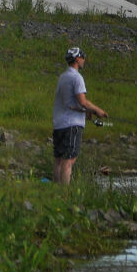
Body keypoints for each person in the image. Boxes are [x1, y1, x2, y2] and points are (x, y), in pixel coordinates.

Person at [52, 47, 106, 184]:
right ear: (77, 59)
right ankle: (65, 193)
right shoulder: (77, 77)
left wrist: (87, 111)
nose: (84, 60)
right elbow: (82, 101)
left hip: (58, 124)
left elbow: (69, 102)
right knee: (69, 160)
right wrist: (97, 110)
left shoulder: (63, 77)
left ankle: (57, 190)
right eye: (83, 57)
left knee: (58, 160)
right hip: (72, 125)